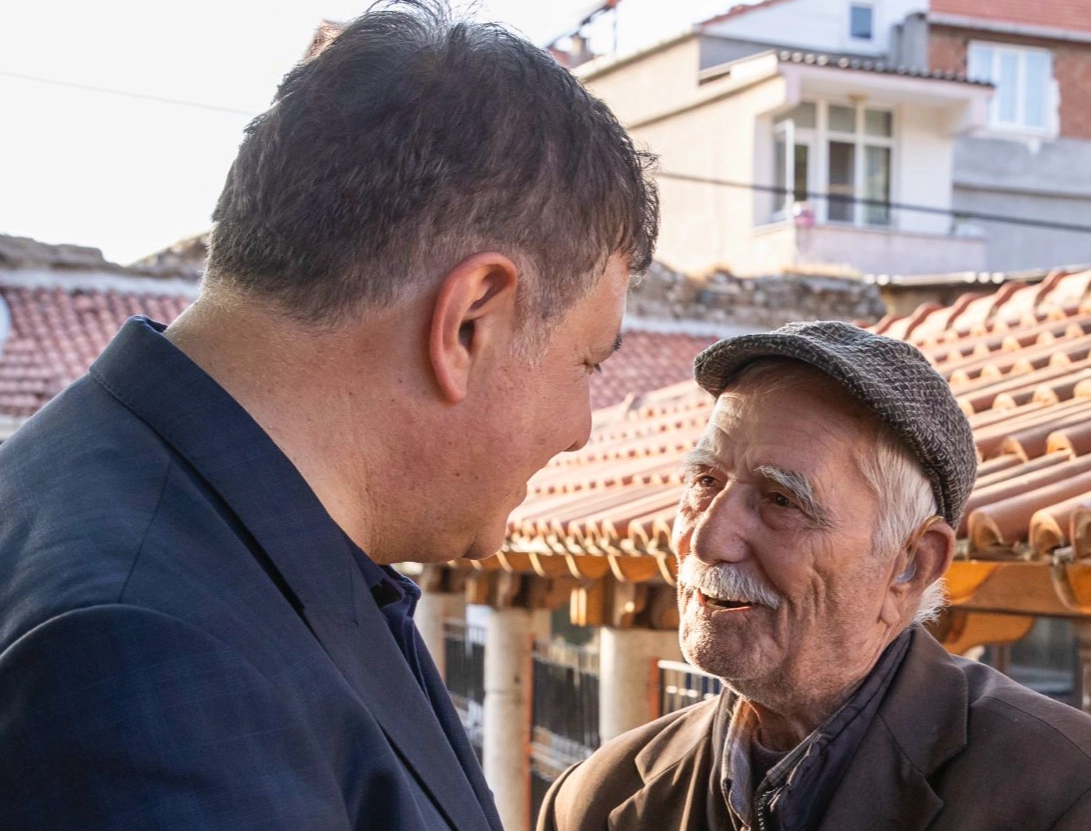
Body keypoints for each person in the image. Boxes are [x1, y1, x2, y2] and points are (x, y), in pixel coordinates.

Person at [0, 2, 657, 829]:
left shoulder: (216, 527)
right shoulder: (145, 650)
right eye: (587, 363)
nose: (582, 425)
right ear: (468, 323)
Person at [538, 321, 1091, 831]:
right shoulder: (604, 797)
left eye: (780, 499)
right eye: (704, 482)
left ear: (911, 563)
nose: (705, 536)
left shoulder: (1082, 803)